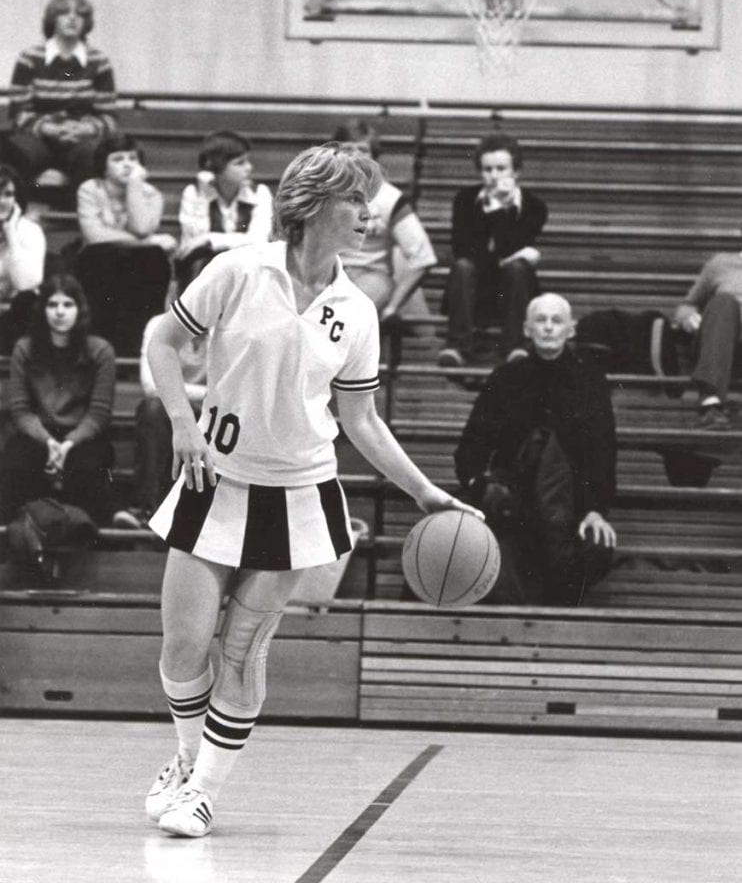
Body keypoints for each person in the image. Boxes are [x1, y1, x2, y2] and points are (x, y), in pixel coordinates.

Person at [144, 142, 482, 838]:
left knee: (241, 651)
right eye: (356, 200)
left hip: (297, 493)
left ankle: (204, 792)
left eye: (370, 201)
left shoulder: (358, 312)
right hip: (215, 479)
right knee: (183, 646)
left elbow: (360, 419)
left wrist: (426, 493)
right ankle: (185, 762)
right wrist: (183, 420)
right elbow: (159, 339)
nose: (368, 214)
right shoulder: (238, 270)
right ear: (313, 203)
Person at [455, 292, 617, 606]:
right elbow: (472, 444)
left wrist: (596, 510)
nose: (548, 328)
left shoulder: (589, 381)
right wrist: (478, 484)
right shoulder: (506, 378)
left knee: (597, 545)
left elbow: (603, 451)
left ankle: (556, 609)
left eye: (557, 321)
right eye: (540, 320)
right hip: (513, 503)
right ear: (527, 329)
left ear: (571, 329)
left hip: (570, 506)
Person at [0, 274, 115, 526]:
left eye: (67, 305)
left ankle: (90, 547)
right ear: (43, 310)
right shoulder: (25, 349)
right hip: (37, 433)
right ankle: (18, 541)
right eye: (52, 305)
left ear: (79, 309)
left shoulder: (100, 351)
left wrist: (68, 444)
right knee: (15, 465)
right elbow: (20, 411)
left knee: (88, 469)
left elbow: (98, 414)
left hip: (83, 434)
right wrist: (49, 442)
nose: (60, 312)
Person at [438, 133, 548, 367]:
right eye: (487, 169)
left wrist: (498, 211)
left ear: (516, 172)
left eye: (501, 168)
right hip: (474, 287)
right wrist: (497, 207)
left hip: (513, 290)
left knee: (518, 268)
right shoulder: (465, 200)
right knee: (464, 266)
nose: (494, 176)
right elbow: (463, 249)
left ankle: (516, 346)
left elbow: (507, 248)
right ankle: (457, 347)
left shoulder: (535, 206)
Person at [113, 266, 208, 530]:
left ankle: (194, 515)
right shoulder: (160, 324)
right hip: (172, 412)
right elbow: (151, 386)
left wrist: (185, 392)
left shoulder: (229, 328)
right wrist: (200, 394)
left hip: (210, 415)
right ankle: (147, 508)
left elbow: (229, 391)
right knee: (153, 410)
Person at [74, 132, 175, 355]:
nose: (127, 165)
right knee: (102, 257)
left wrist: (134, 187)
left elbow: (141, 227)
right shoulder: (90, 189)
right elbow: (94, 237)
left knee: (153, 259)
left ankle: (135, 349)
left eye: (132, 159)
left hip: (135, 264)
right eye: (118, 159)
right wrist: (148, 241)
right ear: (104, 164)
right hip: (98, 261)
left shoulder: (151, 194)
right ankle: (99, 350)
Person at [5, 0, 117, 188]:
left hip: (81, 141)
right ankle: (27, 212)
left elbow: (108, 117)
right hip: (38, 138)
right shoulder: (30, 58)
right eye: (64, 13)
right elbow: (17, 112)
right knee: (15, 151)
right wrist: (49, 128)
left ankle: (82, 211)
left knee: (95, 155)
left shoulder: (99, 61)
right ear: (52, 19)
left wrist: (85, 128)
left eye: (80, 14)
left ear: (86, 22)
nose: (72, 18)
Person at [333, 120, 437, 330]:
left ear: (374, 157)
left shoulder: (390, 198)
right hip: (326, 274)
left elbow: (423, 258)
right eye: (347, 150)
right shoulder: (319, 194)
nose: (355, 157)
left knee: (347, 313)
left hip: (371, 276)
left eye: (362, 150)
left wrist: (393, 306)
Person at [176, 130, 273, 281]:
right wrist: (203, 196)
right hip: (206, 268)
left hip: (246, 267)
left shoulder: (259, 193)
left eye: (247, 161)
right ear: (217, 166)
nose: (249, 168)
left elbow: (259, 241)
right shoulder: (194, 193)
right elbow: (193, 241)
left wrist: (211, 239)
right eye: (240, 163)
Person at [673, 248, 742, 429]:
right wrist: (687, 317)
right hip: (719, 345)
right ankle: (711, 404)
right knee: (723, 302)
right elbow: (687, 305)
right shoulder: (721, 263)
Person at [0, 164, 46, 354]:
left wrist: (11, 233)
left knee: (29, 301)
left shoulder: (29, 231)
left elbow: (26, 285)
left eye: (8, 194)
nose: (2, 201)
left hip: (12, 317)